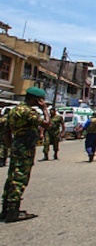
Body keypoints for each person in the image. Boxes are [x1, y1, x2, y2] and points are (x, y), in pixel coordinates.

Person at [0, 87, 51, 222]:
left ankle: (6, 209)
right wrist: (45, 109)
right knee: (20, 178)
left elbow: (6, 131)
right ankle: (13, 212)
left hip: (16, 146)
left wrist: (10, 147)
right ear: (36, 99)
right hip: (25, 147)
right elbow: (47, 124)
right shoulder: (29, 112)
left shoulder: (13, 111)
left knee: (12, 177)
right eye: (41, 100)